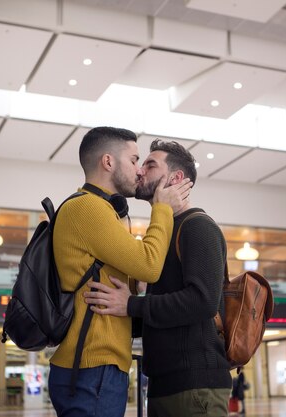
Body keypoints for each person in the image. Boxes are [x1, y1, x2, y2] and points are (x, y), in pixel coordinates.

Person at [48, 127, 192, 417]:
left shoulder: (100, 210)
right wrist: (162, 210)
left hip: (93, 367)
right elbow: (149, 266)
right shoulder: (89, 209)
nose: (139, 171)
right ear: (108, 162)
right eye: (134, 160)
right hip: (92, 367)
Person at [83, 139, 231, 417]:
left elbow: (202, 302)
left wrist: (131, 305)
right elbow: (164, 313)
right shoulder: (165, 231)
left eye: (150, 165)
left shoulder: (198, 227)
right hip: (167, 384)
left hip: (196, 386)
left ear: (175, 178)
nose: (140, 171)